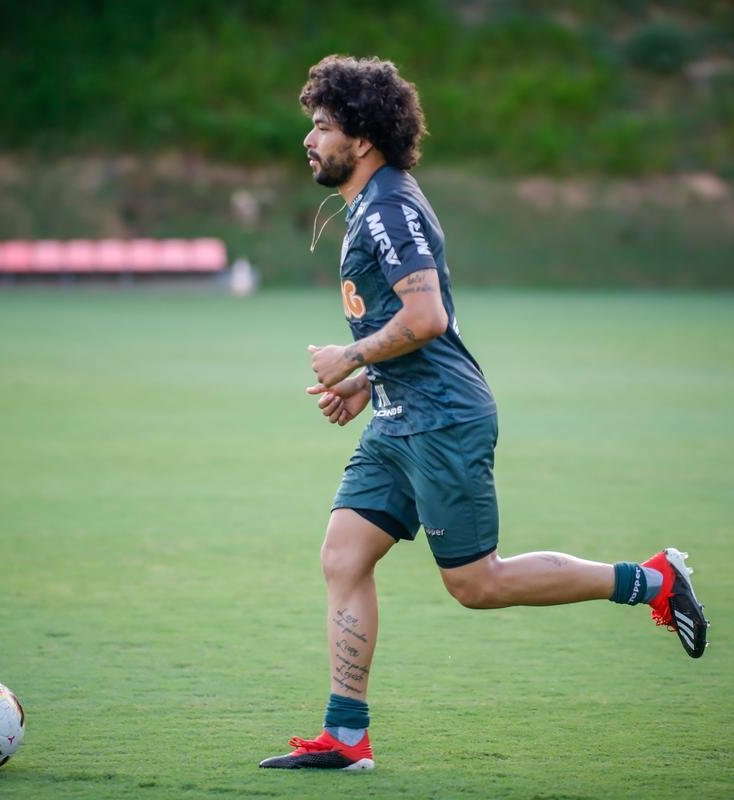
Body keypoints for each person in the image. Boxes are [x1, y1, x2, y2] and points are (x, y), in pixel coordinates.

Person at [259, 55, 708, 772]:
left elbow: (429, 315)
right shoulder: (371, 206)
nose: (309, 140)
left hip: (442, 420)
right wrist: (369, 380)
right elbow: (415, 322)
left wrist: (349, 359)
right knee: (343, 556)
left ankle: (652, 579)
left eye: (321, 126)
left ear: (364, 139)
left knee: (476, 584)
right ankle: (345, 736)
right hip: (400, 416)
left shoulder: (392, 207)